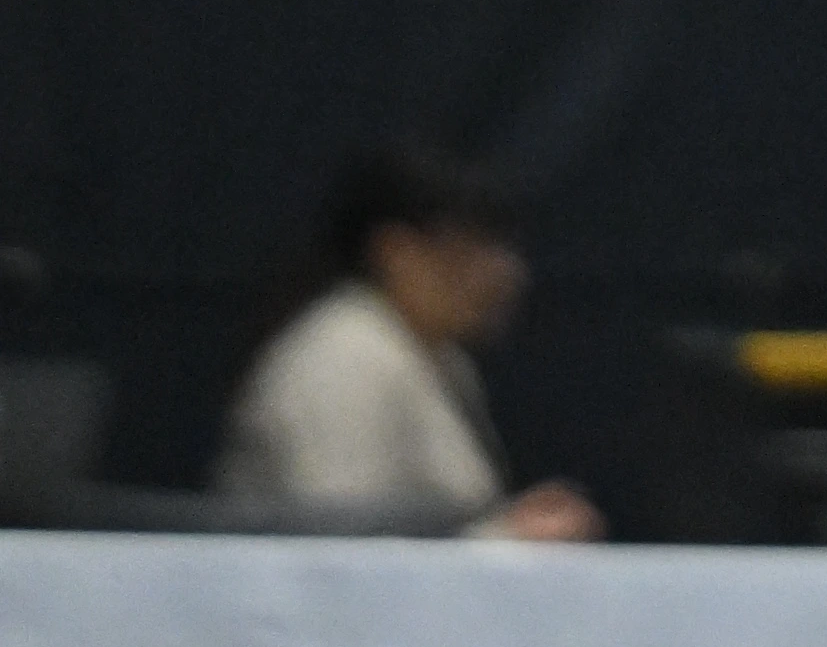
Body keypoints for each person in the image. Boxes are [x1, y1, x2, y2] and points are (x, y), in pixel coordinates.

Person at [213, 148, 598, 536]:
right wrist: (509, 540)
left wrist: (509, 528)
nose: (504, 274)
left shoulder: (438, 357)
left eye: (503, 251)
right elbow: (342, 551)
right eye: (470, 250)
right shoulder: (345, 360)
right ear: (394, 251)